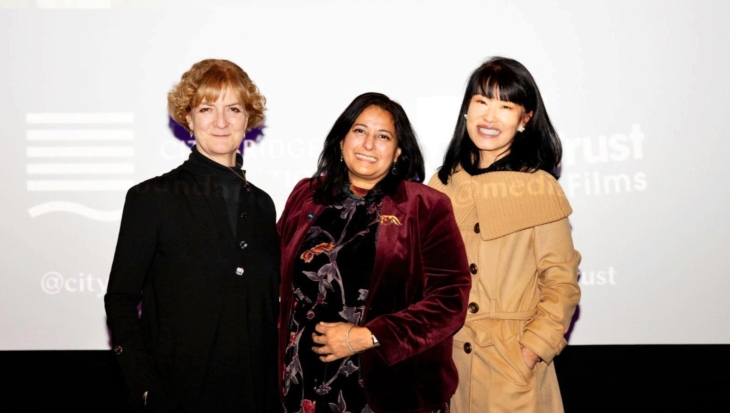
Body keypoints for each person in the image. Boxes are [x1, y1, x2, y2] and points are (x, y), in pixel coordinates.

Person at [277, 92, 471, 413]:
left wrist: (365, 337)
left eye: (383, 136)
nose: (369, 144)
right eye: (359, 130)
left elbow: (450, 300)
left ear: (397, 153)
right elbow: (275, 278)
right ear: (341, 141)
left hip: (386, 387)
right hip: (300, 383)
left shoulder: (425, 206)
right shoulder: (306, 195)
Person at [105, 59, 281, 412]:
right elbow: (121, 299)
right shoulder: (151, 198)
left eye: (233, 109)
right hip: (177, 396)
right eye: (206, 108)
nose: (221, 121)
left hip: (255, 396)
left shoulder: (263, 206)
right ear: (188, 118)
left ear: (248, 119)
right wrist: (143, 385)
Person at [428, 56, 582, 413]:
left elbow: (561, 283)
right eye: (481, 101)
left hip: (510, 369)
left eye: (505, 105)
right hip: (447, 366)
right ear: (466, 109)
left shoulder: (539, 186)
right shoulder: (442, 183)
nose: (490, 116)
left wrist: (529, 352)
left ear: (525, 119)